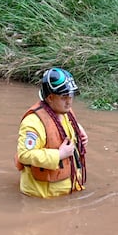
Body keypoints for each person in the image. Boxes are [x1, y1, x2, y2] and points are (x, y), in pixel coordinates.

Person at [15, 67, 88, 198]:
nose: (69, 101)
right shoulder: (33, 122)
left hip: (69, 189)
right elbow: (24, 155)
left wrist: (78, 129)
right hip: (43, 196)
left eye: (71, 95)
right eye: (64, 96)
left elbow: (63, 127)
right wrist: (59, 154)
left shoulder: (65, 111)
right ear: (50, 98)